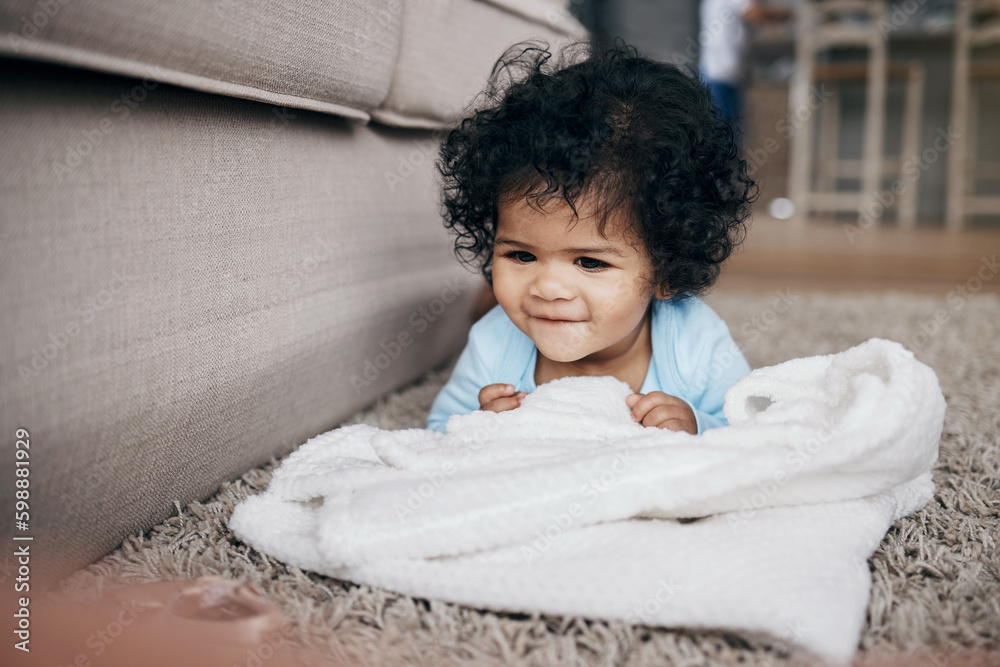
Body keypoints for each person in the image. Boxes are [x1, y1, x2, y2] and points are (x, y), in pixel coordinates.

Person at [427, 39, 757, 434]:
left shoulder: (696, 345)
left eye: (589, 262)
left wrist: (696, 426)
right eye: (521, 256)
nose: (548, 288)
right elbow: (437, 433)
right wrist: (480, 427)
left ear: (666, 270)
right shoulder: (494, 345)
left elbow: (750, 430)